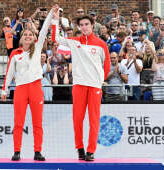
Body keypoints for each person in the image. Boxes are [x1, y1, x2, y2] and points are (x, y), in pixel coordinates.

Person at [52, 6, 110, 161]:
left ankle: (91, 151)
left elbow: (107, 65)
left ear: (92, 25)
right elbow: (56, 38)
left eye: (87, 24)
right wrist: (55, 19)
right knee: (77, 119)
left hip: (94, 87)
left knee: (94, 120)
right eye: (81, 25)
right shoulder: (73, 42)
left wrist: (99, 81)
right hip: (78, 85)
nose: (84, 27)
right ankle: (80, 148)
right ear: (79, 27)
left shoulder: (101, 44)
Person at [1, 5, 55, 161]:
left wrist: (51, 13)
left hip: (36, 88)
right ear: (21, 37)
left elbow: (44, 29)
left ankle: (37, 152)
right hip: (20, 90)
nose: (28, 36)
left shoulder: (37, 49)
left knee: (38, 123)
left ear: (34, 38)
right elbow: (9, 74)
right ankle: (16, 151)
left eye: (31, 34)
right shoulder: (15, 54)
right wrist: (4, 91)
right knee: (18, 123)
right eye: (25, 34)